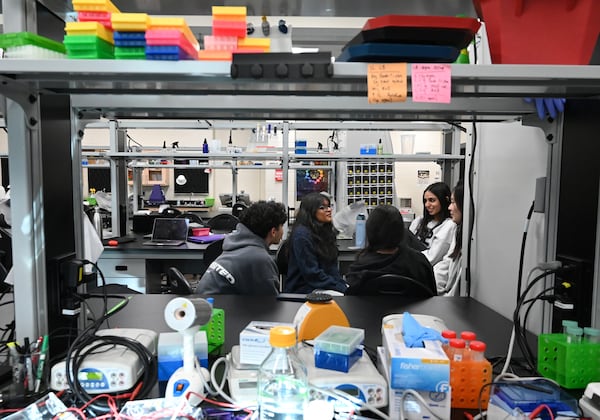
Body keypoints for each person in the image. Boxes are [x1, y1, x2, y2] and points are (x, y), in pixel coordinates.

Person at [197, 200, 287, 295]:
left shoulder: (235, 245)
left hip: (203, 302)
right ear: (273, 232)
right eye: (281, 226)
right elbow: (270, 301)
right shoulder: (260, 259)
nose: (282, 231)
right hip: (215, 307)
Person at [345, 204, 436, 296]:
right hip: (413, 311)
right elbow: (432, 298)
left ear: (370, 230)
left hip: (369, 310)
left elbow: (350, 302)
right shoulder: (420, 263)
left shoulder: (359, 269)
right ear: (402, 231)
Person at [284, 192, 348, 294]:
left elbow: (332, 269)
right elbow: (312, 274)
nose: (329, 210)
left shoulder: (324, 232)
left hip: (322, 285)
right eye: (322, 208)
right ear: (311, 211)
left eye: (329, 206)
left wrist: (343, 285)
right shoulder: (301, 235)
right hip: (303, 289)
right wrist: (341, 288)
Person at [409, 182, 456, 266]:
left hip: (424, 265)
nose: (427, 205)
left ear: (444, 200)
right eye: (425, 201)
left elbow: (432, 258)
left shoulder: (449, 225)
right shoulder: (419, 221)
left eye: (432, 200)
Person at [434, 182, 464, 296]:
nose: (449, 207)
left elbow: (454, 292)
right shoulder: (459, 231)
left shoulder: (453, 227)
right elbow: (447, 261)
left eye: (453, 202)